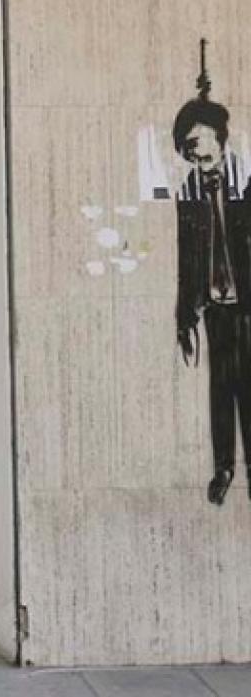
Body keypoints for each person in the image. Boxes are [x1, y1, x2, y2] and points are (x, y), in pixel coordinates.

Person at [174, 43, 251, 506]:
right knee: (220, 390)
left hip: (249, 305)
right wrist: (185, 317)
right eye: (191, 156)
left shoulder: (245, 189)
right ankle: (224, 467)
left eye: (205, 152)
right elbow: (187, 261)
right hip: (216, 309)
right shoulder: (190, 197)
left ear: (222, 142)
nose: (201, 163)